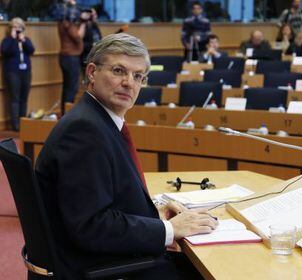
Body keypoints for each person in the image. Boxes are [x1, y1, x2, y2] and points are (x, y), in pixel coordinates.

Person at [35, 33, 218, 279]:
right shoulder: (84, 131)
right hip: (99, 267)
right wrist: (168, 229)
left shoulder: (97, 120)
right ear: (91, 72)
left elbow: (103, 197)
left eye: (138, 76)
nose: (129, 83)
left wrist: (154, 212)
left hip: (105, 257)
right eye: (119, 71)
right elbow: (91, 226)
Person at [1, 17, 35, 131]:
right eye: (14, 27)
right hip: (12, 72)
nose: (17, 29)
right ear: (11, 28)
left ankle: (23, 123)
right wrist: (12, 38)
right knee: (14, 98)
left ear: (23, 28)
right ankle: (15, 126)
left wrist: (23, 40)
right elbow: (5, 51)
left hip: (26, 72)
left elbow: (31, 50)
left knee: (24, 98)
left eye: (19, 27)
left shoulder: (26, 39)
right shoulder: (7, 40)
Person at [57, 0, 88, 114]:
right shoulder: (68, 23)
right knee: (72, 88)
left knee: (67, 87)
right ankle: (67, 115)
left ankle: (64, 112)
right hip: (70, 58)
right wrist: (83, 22)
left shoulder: (62, 22)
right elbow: (78, 36)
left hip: (65, 57)